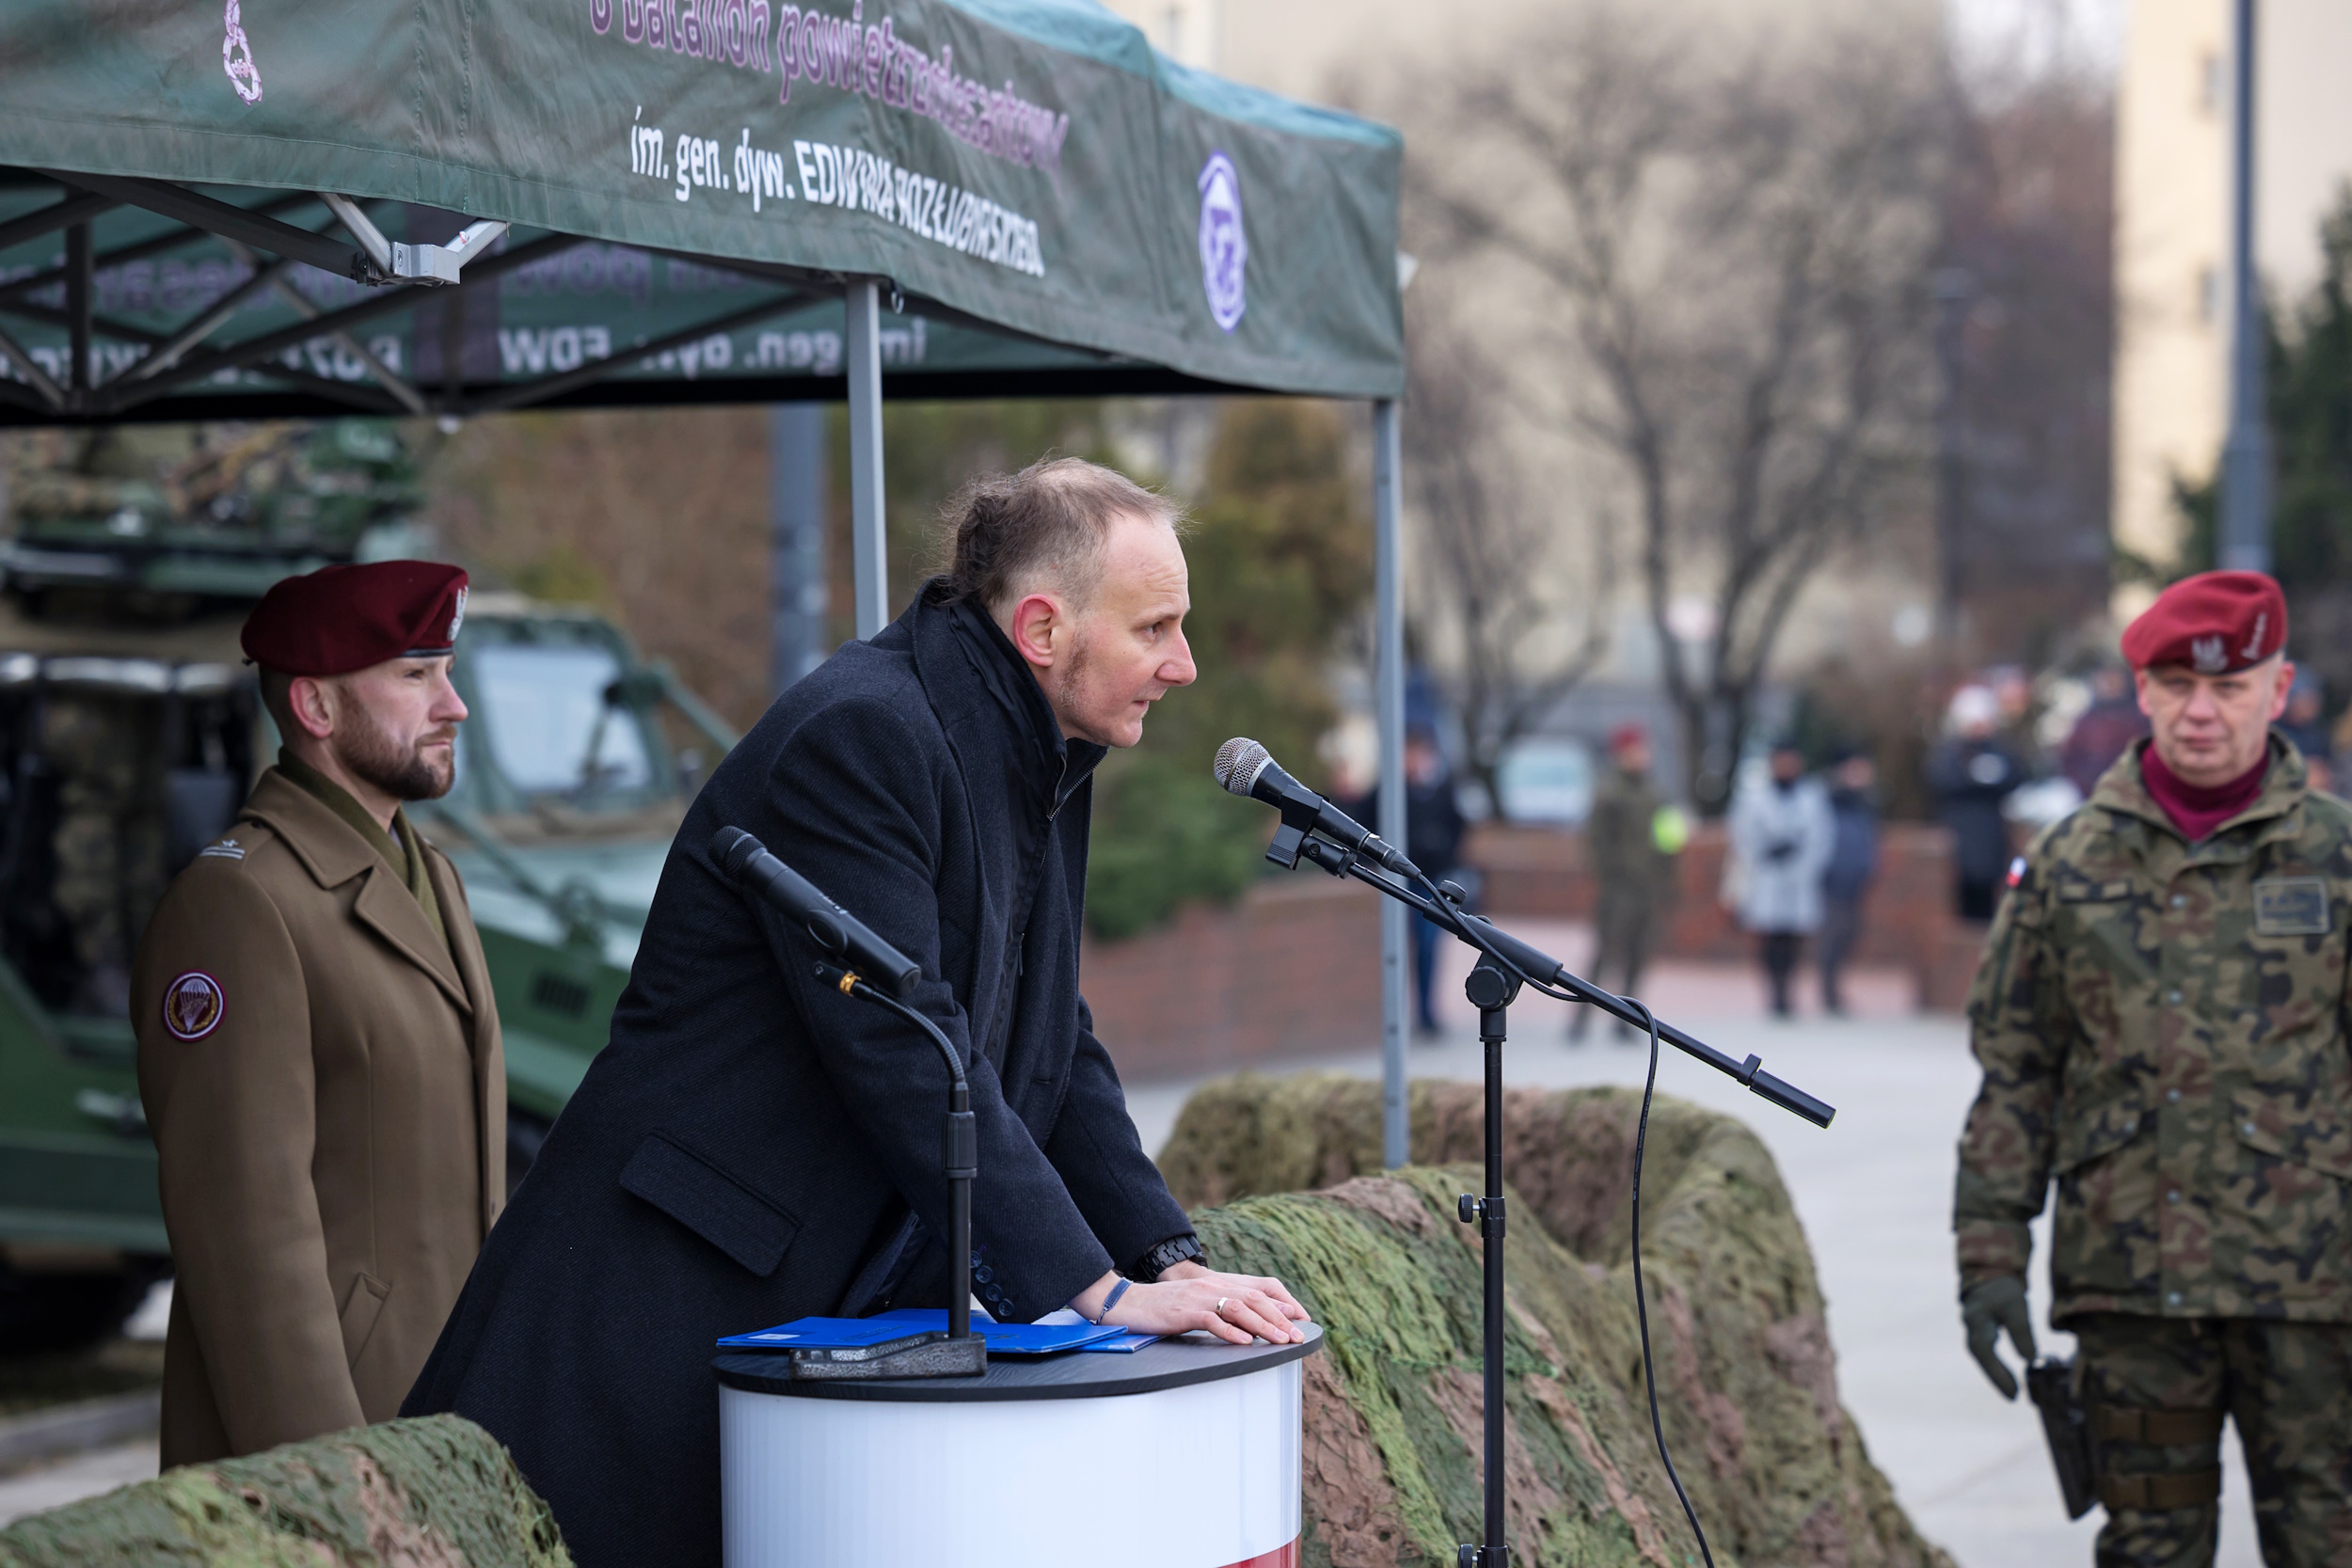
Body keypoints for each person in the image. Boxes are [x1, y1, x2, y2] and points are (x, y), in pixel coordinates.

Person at [403, 459, 1311, 1568]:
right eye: (1156, 626)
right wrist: (1094, 1287)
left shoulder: (1042, 747)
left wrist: (1163, 1255)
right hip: (668, 1297)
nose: (1185, 663)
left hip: (807, 1303)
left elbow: (1049, 1039)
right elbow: (903, 1040)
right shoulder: (865, 733)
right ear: (1041, 626)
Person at [1956, 570, 2352, 1565]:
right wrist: (1989, 1255)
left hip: (2311, 1288)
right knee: (2148, 1550)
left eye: (2228, 686)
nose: (2201, 712)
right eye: (2176, 686)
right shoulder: (2067, 865)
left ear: (2279, 686)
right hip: (2132, 1288)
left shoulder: (2337, 859)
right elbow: (2016, 1072)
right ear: (2141, 692)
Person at [132, 561, 502, 1468]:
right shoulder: (239, 905)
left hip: (444, 1420)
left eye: (446, 672)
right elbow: (248, 1240)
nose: (452, 705)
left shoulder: (435, 880)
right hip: (332, 1447)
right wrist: (332, 1482)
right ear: (316, 707)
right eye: (416, 676)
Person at [1354, 727, 1468, 1037]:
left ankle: (1427, 1012)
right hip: (1396, 881)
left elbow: (1459, 827)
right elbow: (1359, 820)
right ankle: (1395, 1011)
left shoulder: (1442, 790)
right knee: (1395, 946)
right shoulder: (1389, 790)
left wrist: (1447, 860)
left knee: (1429, 946)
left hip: (1430, 882)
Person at [1571, 723, 1678, 1043]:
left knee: (1639, 955)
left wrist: (1668, 879)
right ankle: (1580, 1019)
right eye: (1633, 751)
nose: (1640, 757)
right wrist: (1611, 875)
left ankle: (1626, 1020)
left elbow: (1668, 840)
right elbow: (1595, 841)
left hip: (1648, 888)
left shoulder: (1656, 792)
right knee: (1604, 953)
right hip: (1618, 889)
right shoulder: (1609, 792)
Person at [1726, 741, 1834, 1019]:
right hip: (1767, 875)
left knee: (1793, 936)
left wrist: (1801, 861)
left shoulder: (1812, 796)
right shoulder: (1755, 797)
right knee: (1769, 935)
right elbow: (1742, 834)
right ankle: (1774, 990)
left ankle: (1788, 989)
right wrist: (1766, 854)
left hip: (1799, 877)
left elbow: (1822, 838)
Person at [1929, 684, 2026, 921]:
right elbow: (1941, 780)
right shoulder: (1951, 751)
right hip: (1961, 833)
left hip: (1992, 835)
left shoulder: (2001, 750)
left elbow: (2018, 775)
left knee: (1990, 897)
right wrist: (1976, 779)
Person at [1817, 749, 1881, 1017]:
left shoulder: (1865, 802)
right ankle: (1829, 990)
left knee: (1849, 933)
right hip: (1834, 876)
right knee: (1834, 933)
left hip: (1856, 876)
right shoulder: (1831, 799)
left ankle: (1835, 988)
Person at [2059, 662, 2151, 799]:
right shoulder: (2087, 720)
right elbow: (2070, 757)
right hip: (2088, 793)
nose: (2109, 684)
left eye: (2114, 679)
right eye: (2105, 679)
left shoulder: (2136, 720)